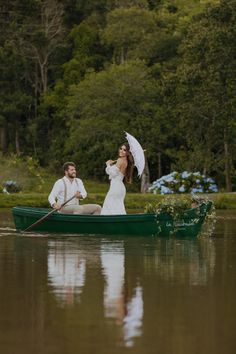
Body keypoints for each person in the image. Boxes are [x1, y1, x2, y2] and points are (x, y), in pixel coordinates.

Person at [101, 143, 134, 215]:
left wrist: (108, 165)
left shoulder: (120, 160)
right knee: (117, 207)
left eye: (124, 150)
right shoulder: (126, 161)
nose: (121, 151)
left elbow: (113, 174)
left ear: (128, 153)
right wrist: (111, 165)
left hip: (116, 187)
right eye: (121, 148)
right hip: (119, 187)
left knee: (109, 205)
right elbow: (116, 172)